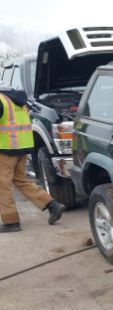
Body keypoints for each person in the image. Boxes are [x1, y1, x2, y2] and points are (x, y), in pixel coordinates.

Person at [0, 87, 63, 233]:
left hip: (6, 148)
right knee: (21, 180)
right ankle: (52, 205)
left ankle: (11, 222)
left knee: (3, 185)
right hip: (23, 145)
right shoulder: (17, 99)